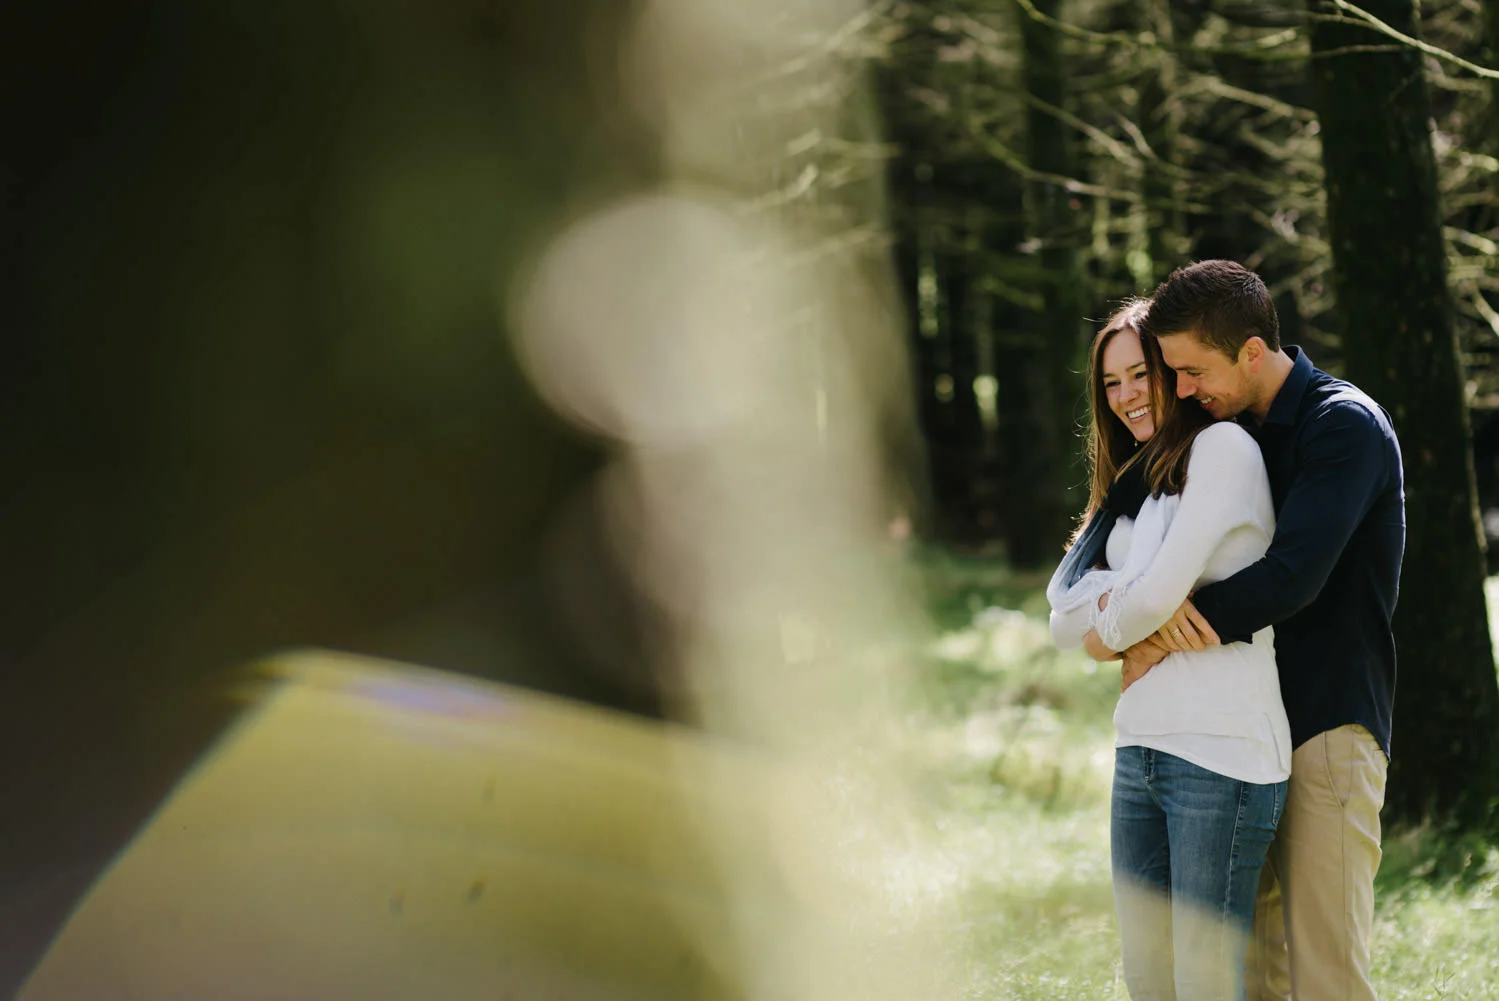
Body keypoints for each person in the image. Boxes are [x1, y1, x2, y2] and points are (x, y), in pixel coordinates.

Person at [1129, 260, 1405, 1001]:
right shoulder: (1228, 432)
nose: (1182, 389)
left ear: (1251, 351)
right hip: (1243, 736)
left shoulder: (1341, 425)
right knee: (1251, 975)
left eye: (1192, 370)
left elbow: (1293, 575)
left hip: (1324, 729)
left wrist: (1156, 634)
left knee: (1325, 977)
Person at [1047, 301, 1292, 1001]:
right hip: (1140, 750)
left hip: (1222, 754)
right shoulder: (1135, 480)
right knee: (1148, 979)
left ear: (1174, 374)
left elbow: (1149, 597)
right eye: (1110, 383)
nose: (1124, 396)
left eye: (1139, 374)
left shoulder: (1223, 450)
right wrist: (1119, 628)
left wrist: (1122, 612)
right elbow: (1061, 618)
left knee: (1205, 983)